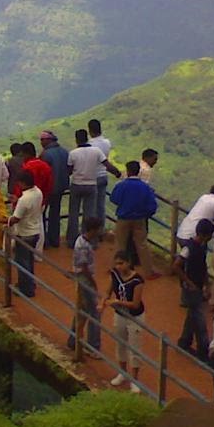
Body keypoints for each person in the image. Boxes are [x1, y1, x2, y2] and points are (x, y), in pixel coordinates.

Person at [102, 250, 145, 394]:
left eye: (121, 263)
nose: (119, 266)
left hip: (134, 317)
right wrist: (103, 302)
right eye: (117, 264)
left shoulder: (137, 280)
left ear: (129, 263)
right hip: (119, 314)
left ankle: (134, 379)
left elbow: (136, 304)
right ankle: (122, 372)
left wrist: (117, 302)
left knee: (134, 347)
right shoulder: (114, 274)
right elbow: (108, 291)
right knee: (120, 344)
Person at [109, 160, 159, 279]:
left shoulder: (122, 185)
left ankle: (116, 269)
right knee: (142, 245)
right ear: (138, 171)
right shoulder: (145, 187)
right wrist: (145, 213)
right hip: (139, 218)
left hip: (123, 217)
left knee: (120, 244)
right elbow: (152, 205)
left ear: (128, 171)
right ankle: (149, 271)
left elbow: (114, 199)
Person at [173, 218, 214, 360]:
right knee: (199, 319)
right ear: (205, 235)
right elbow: (176, 265)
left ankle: (184, 341)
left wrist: (206, 285)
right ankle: (203, 351)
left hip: (195, 286)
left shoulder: (199, 246)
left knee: (193, 315)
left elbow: (202, 268)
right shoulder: (189, 248)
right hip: (191, 287)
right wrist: (189, 283)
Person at [66, 129, 111, 247]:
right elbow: (107, 164)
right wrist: (117, 173)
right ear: (87, 137)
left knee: (73, 214)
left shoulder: (73, 153)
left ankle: (72, 241)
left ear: (76, 139)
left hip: (76, 184)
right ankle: (90, 241)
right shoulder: (96, 151)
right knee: (90, 214)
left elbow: (69, 171)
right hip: (91, 185)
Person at [67, 216, 103, 352]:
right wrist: (93, 283)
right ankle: (93, 346)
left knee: (82, 311)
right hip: (85, 280)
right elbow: (84, 266)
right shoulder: (83, 245)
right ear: (93, 230)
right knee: (94, 312)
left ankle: (73, 340)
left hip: (83, 278)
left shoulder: (81, 241)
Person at [7, 169, 43, 297]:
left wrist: (5, 220)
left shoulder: (24, 199)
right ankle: (29, 283)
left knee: (22, 262)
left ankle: (26, 289)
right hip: (35, 231)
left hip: (24, 233)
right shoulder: (38, 192)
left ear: (23, 183)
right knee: (29, 260)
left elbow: (16, 218)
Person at [38, 130, 69, 249]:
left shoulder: (45, 154)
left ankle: (44, 241)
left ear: (48, 140)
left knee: (41, 215)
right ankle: (54, 239)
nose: (41, 142)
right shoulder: (64, 152)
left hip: (48, 188)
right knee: (55, 213)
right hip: (61, 186)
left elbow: (43, 173)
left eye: (42, 139)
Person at [87, 119, 121, 223]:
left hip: (92, 177)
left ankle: (90, 230)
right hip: (103, 175)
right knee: (100, 206)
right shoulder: (107, 143)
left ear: (90, 130)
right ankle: (100, 230)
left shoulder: (89, 145)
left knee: (90, 207)